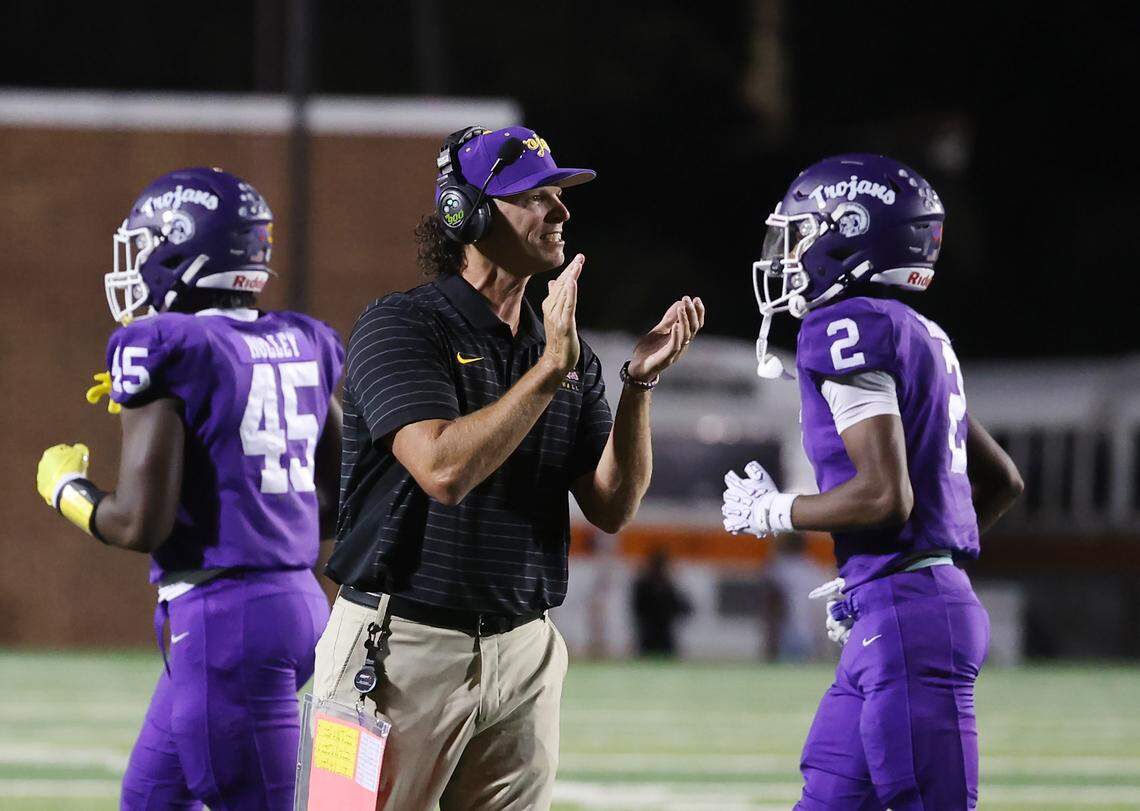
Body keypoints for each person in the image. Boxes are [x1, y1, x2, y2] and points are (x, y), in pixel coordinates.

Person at [314, 124, 704, 809]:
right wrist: (550, 370)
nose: (562, 210)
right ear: (468, 212)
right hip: (400, 647)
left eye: (560, 193)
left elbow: (612, 506)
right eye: (537, 195)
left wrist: (639, 385)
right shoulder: (400, 326)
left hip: (525, 646)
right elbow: (442, 470)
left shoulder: (565, 354)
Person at [35, 167, 344, 810]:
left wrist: (66, 487)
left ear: (183, 249)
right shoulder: (302, 339)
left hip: (225, 621)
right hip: (298, 602)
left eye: (147, 245)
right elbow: (339, 498)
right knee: (151, 800)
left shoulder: (166, 344)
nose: (138, 262)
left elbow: (136, 524)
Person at [721, 154, 1023, 810]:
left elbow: (886, 494)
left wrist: (779, 511)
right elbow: (1002, 481)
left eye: (802, 232)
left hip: (908, 617)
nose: (791, 250)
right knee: (827, 799)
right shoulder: (923, 333)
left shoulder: (843, 325)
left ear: (848, 229)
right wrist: (905, 563)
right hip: (897, 607)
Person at [631, 547, 692, 656]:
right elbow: (639, 608)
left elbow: (681, 606)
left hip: (662, 635)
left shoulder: (666, 585)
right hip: (650, 634)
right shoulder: (645, 584)